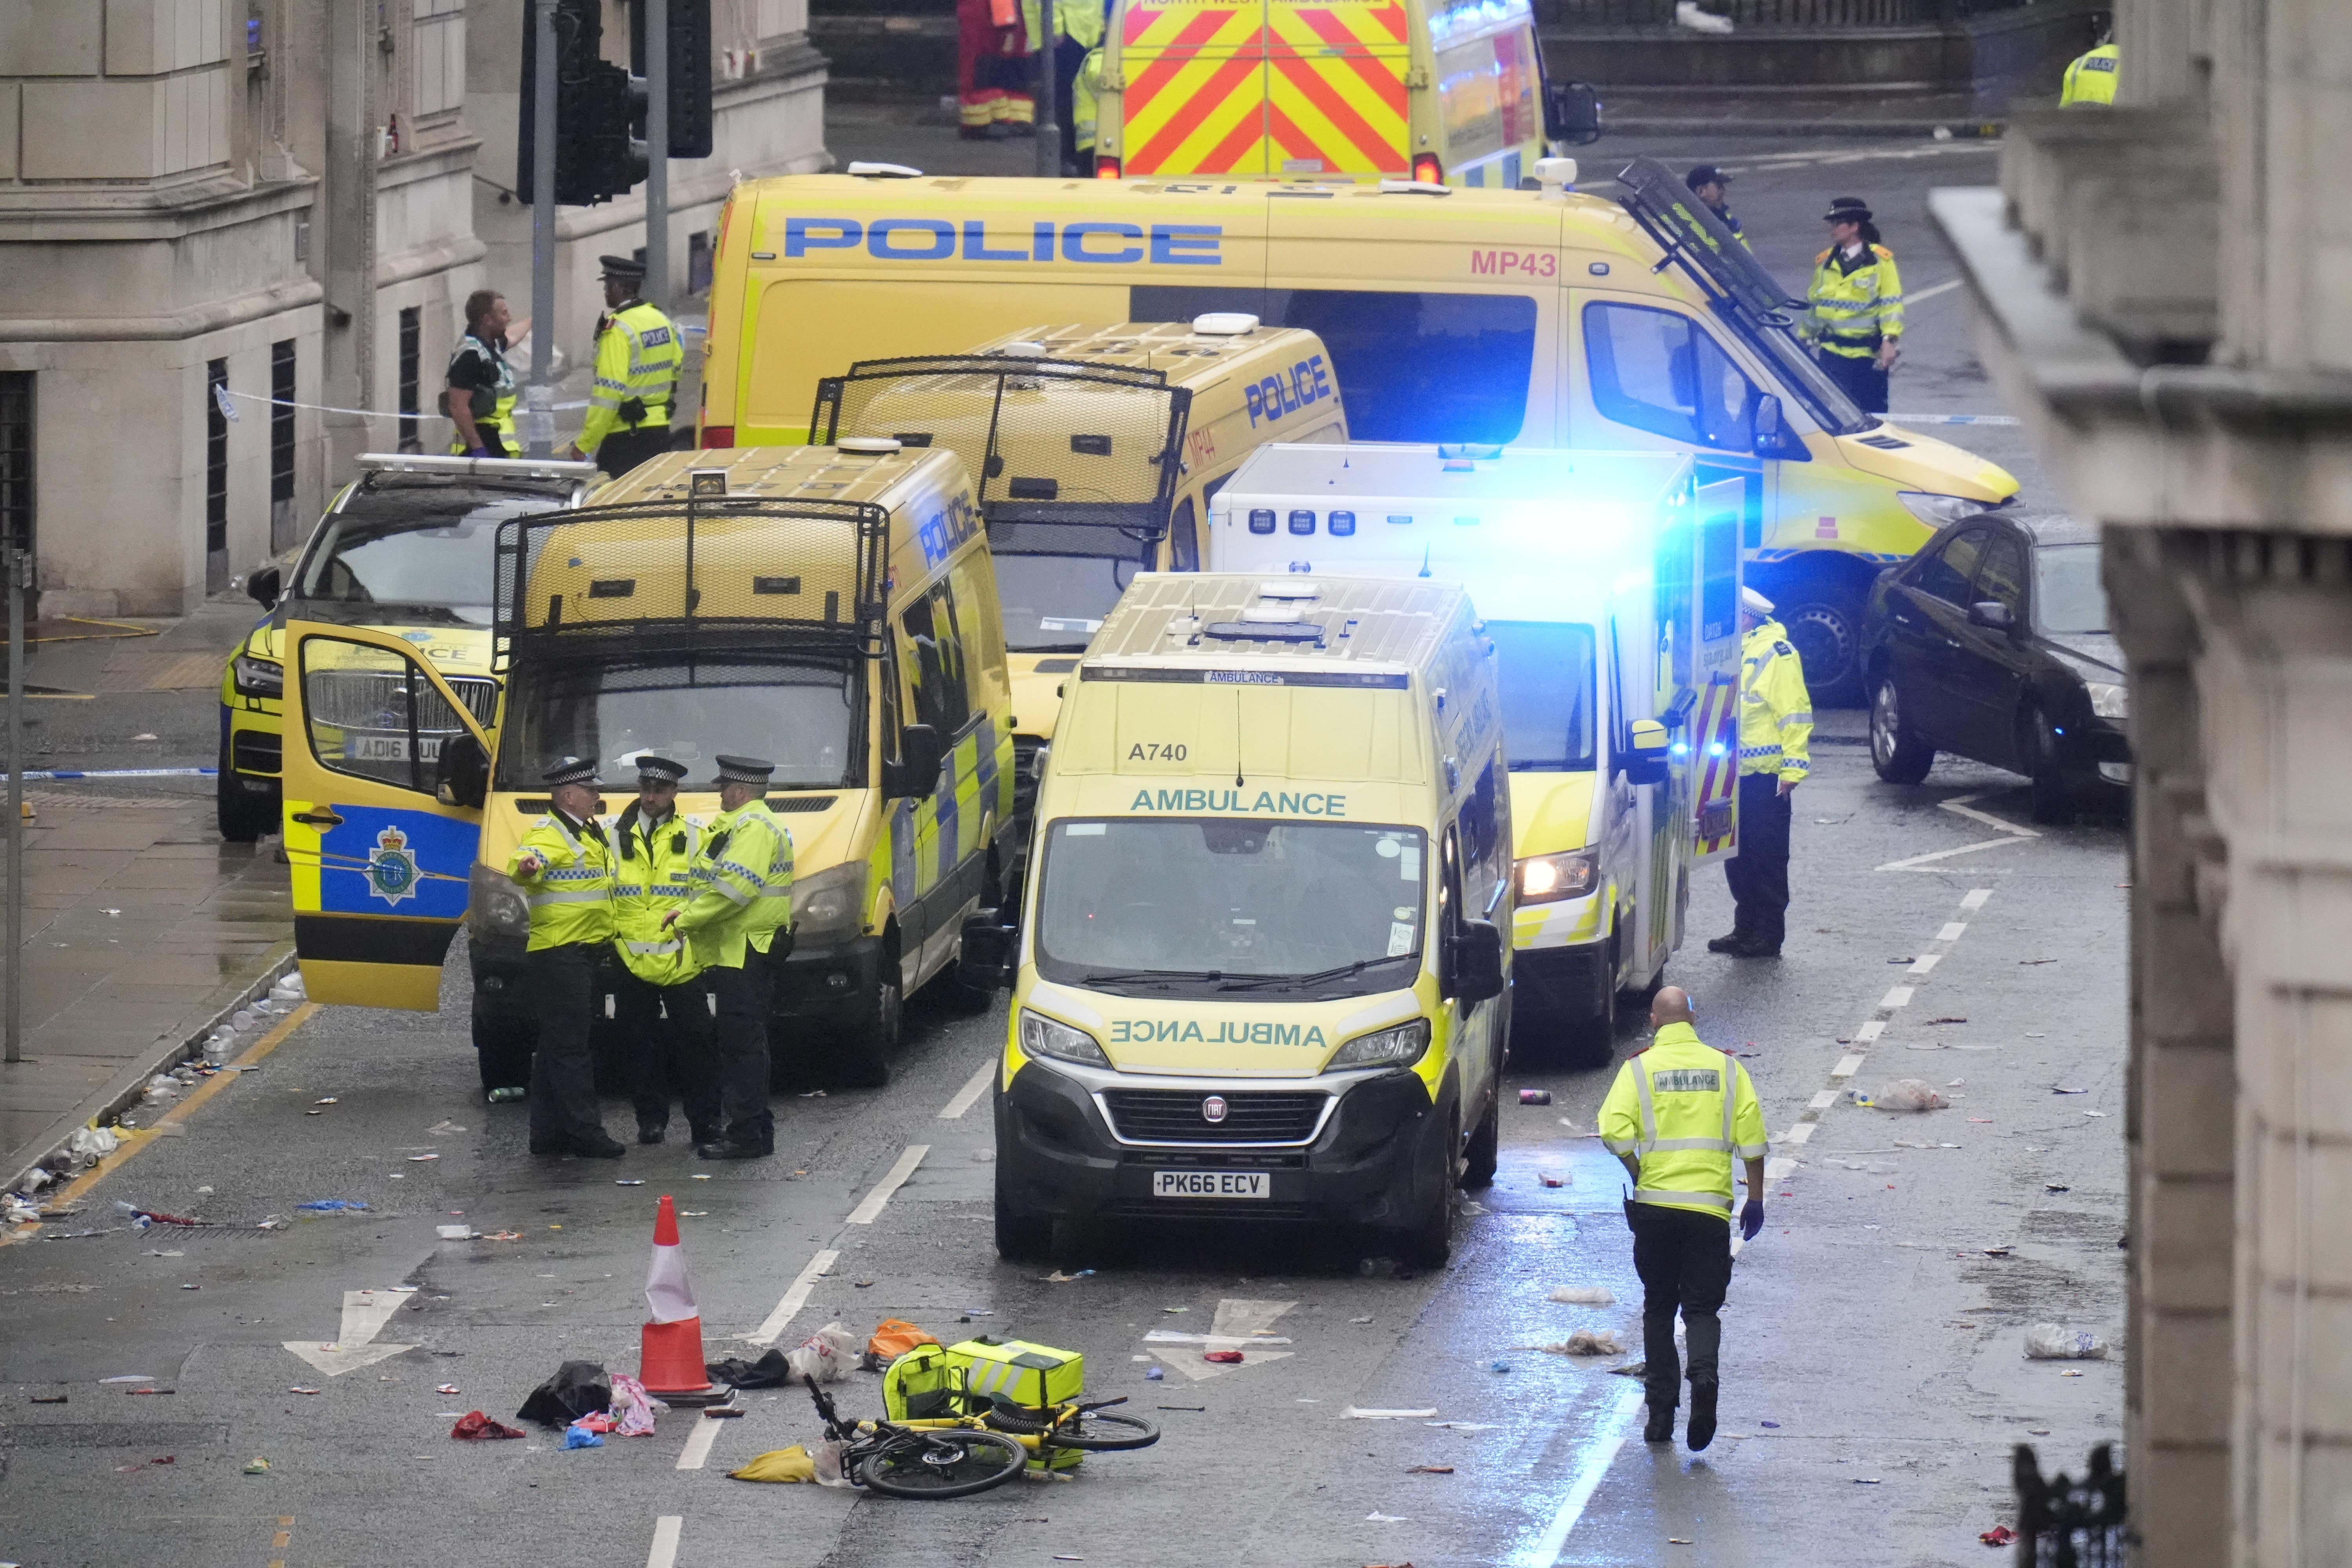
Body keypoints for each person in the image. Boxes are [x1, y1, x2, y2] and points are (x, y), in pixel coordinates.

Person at [1599, 985, 1768, 1452]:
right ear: (1692, 1020)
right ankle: (1705, 1379)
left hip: (1655, 1209)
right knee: (1701, 1308)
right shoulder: (1728, 1070)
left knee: (1659, 1305)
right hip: (1709, 1212)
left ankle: (1659, 1414)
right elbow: (1751, 1138)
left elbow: (1613, 1130)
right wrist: (1754, 1198)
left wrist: (1639, 1170)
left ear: (1654, 1020)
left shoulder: (1638, 1069)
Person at [664, 755, 795, 1160]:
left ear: (740, 791)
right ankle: (754, 1128)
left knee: (742, 1047)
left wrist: (688, 917)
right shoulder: (745, 824)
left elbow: (736, 889)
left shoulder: (753, 828)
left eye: (724, 787)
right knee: (745, 1043)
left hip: (746, 951)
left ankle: (747, 1135)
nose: (720, 792)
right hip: (741, 949)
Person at [508, 757, 626, 1159]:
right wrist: (528, 867)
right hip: (561, 953)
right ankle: (585, 1132)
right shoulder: (549, 832)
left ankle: (547, 1134)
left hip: (577, 951)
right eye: (592, 791)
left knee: (556, 1045)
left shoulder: (586, 832)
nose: (597, 796)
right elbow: (524, 864)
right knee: (573, 1048)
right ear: (569, 795)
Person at [605, 755, 720, 1147]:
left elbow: (708, 892)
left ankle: (705, 1123)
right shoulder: (612, 835)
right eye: (646, 789)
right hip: (631, 956)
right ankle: (650, 1120)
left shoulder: (695, 835)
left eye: (660, 790)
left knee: (697, 1043)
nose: (651, 796)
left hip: (680, 958)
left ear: (675, 792)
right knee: (637, 1042)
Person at [1711, 586, 1810, 958]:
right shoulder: (1733, 650)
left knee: (1766, 858)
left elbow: (1796, 714)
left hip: (1766, 777)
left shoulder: (1776, 654)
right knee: (1736, 857)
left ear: (1745, 616)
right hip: (1731, 774)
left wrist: (1793, 768)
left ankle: (1768, 936)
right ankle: (1745, 928)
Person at [568, 256, 682, 479]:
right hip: (659, 429)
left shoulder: (618, 329)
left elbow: (608, 393)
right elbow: (675, 366)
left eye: (608, 286)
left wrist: (585, 444)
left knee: (611, 505)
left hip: (626, 436)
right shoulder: (661, 319)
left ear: (622, 288)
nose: (606, 292)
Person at [1803, 197, 1903, 416]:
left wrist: (1889, 341)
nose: (1832, 230)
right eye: (1832, 224)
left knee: (1872, 417)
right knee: (1834, 418)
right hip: (1832, 356)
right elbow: (1816, 306)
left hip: (1866, 358)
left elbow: (1891, 305)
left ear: (1855, 226)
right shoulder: (1825, 262)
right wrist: (1803, 340)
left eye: (1838, 224)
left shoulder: (1881, 262)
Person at [445, 289, 525, 458]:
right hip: (481, 448)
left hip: (498, 445)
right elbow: (458, 406)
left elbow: (512, 335)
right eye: (504, 314)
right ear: (487, 320)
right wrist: (478, 448)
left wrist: (537, 319)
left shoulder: (491, 344)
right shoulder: (470, 356)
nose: (509, 319)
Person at [1684, 164, 1749, 249]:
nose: (1723, 190)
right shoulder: (1679, 218)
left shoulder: (1727, 220)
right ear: (1701, 191)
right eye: (1719, 186)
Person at [2060, 34, 2119, 106]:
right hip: (2115, 115)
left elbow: (2064, 108)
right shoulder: (2132, 66)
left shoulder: (2080, 62)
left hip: (2079, 116)